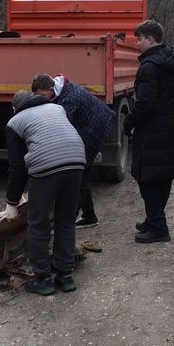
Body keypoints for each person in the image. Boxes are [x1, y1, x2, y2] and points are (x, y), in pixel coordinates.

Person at [3, 90, 86, 296]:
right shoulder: (57, 108)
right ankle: (65, 276)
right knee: (66, 220)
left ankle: (43, 279)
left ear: (14, 108)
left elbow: (17, 167)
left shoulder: (15, 122)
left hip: (46, 165)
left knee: (38, 223)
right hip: (77, 160)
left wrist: (11, 202)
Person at [123, 20, 174, 244]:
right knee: (163, 175)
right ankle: (154, 219)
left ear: (150, 39)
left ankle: (159, 228)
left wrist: (128, 122)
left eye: (139, 39)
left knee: (147, 177)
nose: (137, 44)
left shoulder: (149, 66)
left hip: (153, 132)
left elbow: (146, 104)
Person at [31, 73, 115, 229]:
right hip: (87, 124)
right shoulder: (58, 90)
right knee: (83, 170)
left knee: (79, 171)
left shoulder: (69, 100)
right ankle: (89, 216)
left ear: (50, 90)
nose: (40, 99)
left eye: (42, 96)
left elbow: (61, 127)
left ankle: (67, 221)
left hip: (95, 128)